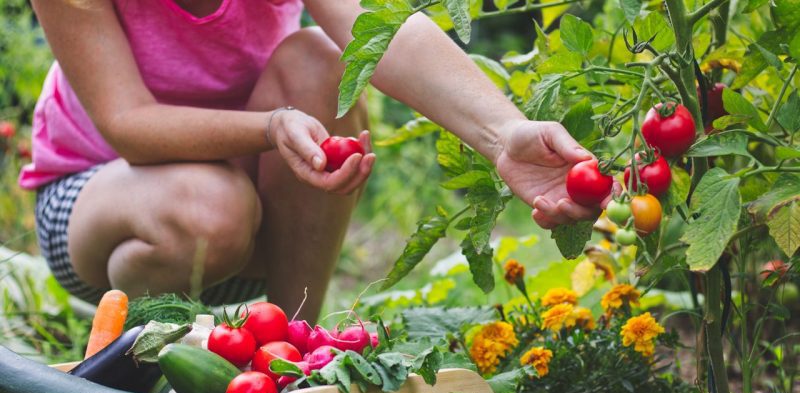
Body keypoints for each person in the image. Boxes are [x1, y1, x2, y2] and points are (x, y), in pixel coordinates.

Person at [22, 0, 610, 322]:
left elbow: (381, 34)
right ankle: (137, 362)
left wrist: (503, 131)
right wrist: (272, 126)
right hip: (104, 207)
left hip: (260, 207)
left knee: (323, 60)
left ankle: (291, 344)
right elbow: (129, 126)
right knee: (206, 207)